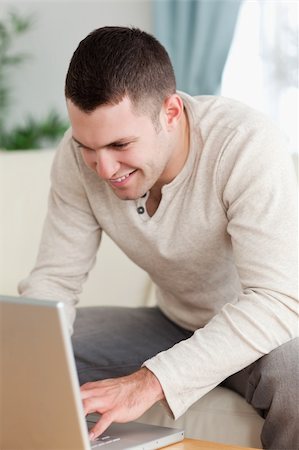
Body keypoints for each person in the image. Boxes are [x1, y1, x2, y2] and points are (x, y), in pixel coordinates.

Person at [19, 26, 298, 449]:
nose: (104, 168)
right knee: (24, 356)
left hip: (269, 329)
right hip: (174, 322)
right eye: (87, 147)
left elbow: (279, 299)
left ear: (171, 112)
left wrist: (151, 381)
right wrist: (29, 346)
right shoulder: (79, 159)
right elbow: (55, 282)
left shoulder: (245, 146)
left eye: (120, 144)